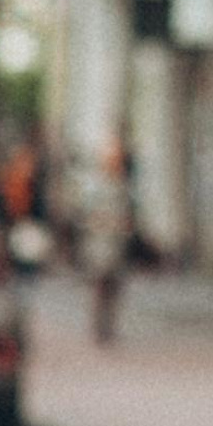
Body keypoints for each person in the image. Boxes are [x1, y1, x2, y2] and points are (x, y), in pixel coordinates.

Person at [76, 140, 135, 346]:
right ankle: (99, 327)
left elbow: (129, 216)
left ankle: (109, 326)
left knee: (115, 287)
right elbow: (87, 216)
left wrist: (125, 227)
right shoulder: (95, 188)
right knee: (99, 286)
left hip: (117, 245)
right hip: (99, 244)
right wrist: (106, 223)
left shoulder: (124, 187)